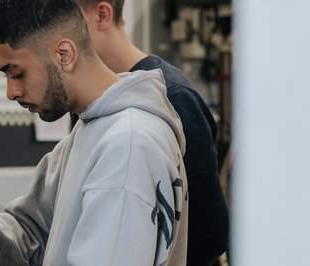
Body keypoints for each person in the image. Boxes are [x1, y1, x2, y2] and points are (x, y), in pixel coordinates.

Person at [0, 0, 188, 265]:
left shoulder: (126, 145)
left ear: (64, 54)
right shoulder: (93, 129)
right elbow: (31, 232)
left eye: (17, 73)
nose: (11, 92)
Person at [76, 1, 230, 265]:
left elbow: (210, 233)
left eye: (66, 16)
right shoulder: (88, 102)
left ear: (102, 14)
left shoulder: (175, 98)